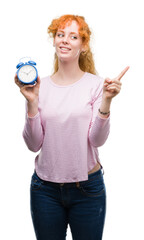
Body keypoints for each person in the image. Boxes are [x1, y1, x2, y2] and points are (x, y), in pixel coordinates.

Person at [15, 14, 129, 240]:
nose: (65, 40)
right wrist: (32, 102)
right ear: (54, 40)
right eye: (60, 35)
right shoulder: (40, 86)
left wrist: (106, 100)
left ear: (83, 45)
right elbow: (33, 144)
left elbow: (96, 140)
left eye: (73, 36)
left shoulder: (97, 85)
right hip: (44, 190)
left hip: (87, 189)